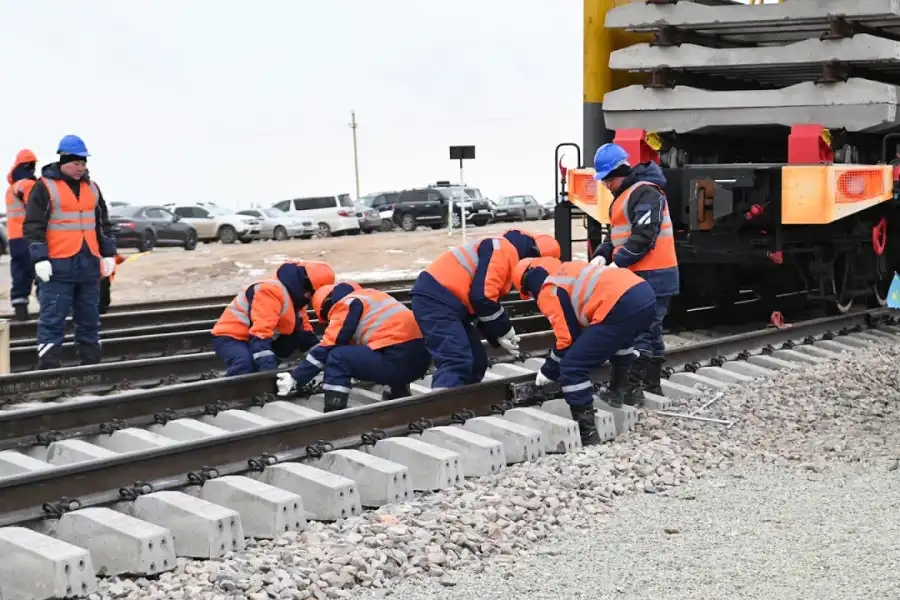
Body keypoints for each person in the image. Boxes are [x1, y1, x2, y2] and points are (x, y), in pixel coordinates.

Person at [512, 258, 656, 443]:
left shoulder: (549, 289)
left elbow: (566, 339)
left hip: (620, 303)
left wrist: (549, 370)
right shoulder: (568, 270)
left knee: (572, 366)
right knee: (620, 340)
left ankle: (587, 433)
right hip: (643, 293)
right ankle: (619, 391)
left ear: (528, 286)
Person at [589, 143, 679, 403]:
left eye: (608, 178)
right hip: (644, 275)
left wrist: (619, 262)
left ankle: (632, 390)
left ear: (621, 172)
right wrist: (602, 254)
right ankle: (650, 385)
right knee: (651, 331)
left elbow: (644, 236)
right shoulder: (628, 195)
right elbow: (618, 236)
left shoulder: (645, 193)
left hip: (653, 274)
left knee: (641, 331)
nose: (605, 184)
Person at [23, 135, 118, 369]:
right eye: (76, 163)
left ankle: (91, 366)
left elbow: (102, 224)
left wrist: (108, 254)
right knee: (52, 319)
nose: (81, 167)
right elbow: (34, 225)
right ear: (63, 161)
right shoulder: (44, 187)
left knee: (89, 319)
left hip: (88, 264)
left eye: (84, 163)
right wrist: (40, 258)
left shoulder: (92, 188)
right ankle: (49, 369)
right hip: (58, 264)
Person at [410, 230, 542, 389]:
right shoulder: (505, 250)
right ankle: (440, 410)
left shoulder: (502, 251)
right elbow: (483, 298)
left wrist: (497, 335)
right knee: (456, 360)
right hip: (436, 299)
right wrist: (504, 329)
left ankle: (462, 404)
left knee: (476, 362)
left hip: (448, 301)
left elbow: (481, 305)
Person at [275, 282, 431, 412]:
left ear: (327, 305)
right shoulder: (371, 297)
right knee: (382, 345)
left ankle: (334, 410)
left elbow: (330, 345)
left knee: (338, 357)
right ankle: (399, 393)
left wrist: (296, 378)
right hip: (421, 362)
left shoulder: (347, 303)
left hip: (397, 362)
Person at [211, 260, 335, 376]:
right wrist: (268, 372)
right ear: (306, 284)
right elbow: (261, 332)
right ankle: (230, 391)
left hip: (254, 336)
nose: (312, 298)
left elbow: (304, 331)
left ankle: (260, 382)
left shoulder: (297, 297)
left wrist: (323, 356)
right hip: (231, 337)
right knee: (246, 365)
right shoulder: (270, 291)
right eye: (313, 293)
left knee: (294, 337)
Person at [5, 149, 39, 320]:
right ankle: (52, 309)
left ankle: (20, 312)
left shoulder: (10, 189)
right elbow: (36, 211)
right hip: (28, 237)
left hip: (14, 239)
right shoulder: (28, 185)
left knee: (20, 275)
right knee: (42, 272)